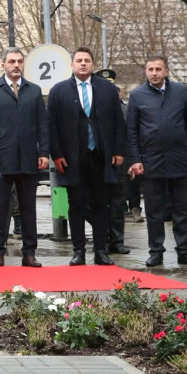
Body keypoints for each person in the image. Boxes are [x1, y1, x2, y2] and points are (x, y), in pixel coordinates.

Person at [48, 47, 125, 266]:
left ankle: (101, 250)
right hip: (72, 157)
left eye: (87, 60)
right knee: (76, 204)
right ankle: (78, 251)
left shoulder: (107, 89)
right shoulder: (59, 91)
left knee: (101, 204)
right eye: (79, 60)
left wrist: (119, 151)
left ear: (93, 64)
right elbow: (51, 126)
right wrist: (57, 154)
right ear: (72, 64)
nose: (83, 64)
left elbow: (119, 122)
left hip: (101, 155)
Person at [126, 55, 187, 267]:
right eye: (150, 69)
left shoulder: (181, 92)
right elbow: (131, 131)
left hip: (179, 159)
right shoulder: (137, 95)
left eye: (158, 69)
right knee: (154, 210)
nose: (154, 73)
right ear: (145, 72)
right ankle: (156, 252)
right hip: (151, 161)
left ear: (166, 71)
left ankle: (185, 252)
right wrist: (135, 160)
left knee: (182, 209)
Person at [0, 48, 48, 267]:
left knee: (29, 208)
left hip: (29, 159)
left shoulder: (34, 91)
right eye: (12, 61)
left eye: (20, 61)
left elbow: (42, 125)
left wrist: (43, 153)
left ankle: (29, 253)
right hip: (1, 159)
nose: (16, 65)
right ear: (3, 65)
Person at [97, 69, 133, 254]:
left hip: (120, 162)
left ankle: (117, 240)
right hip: (99, 161)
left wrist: (131, 161)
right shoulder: (94, 106)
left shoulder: (125, 109)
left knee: (118, 203)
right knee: (99, 202)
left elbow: (131, 136)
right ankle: (101, 239)